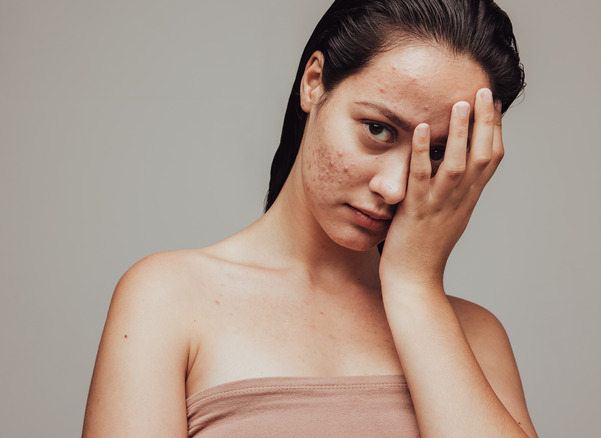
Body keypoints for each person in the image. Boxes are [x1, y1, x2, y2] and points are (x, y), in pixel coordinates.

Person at [82, 0, 537, 436]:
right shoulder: (168, 300)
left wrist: (414, 285)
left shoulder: (475, 336)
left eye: (436, 153)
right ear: (314, 81)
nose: (395, 187)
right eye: (378, 129)